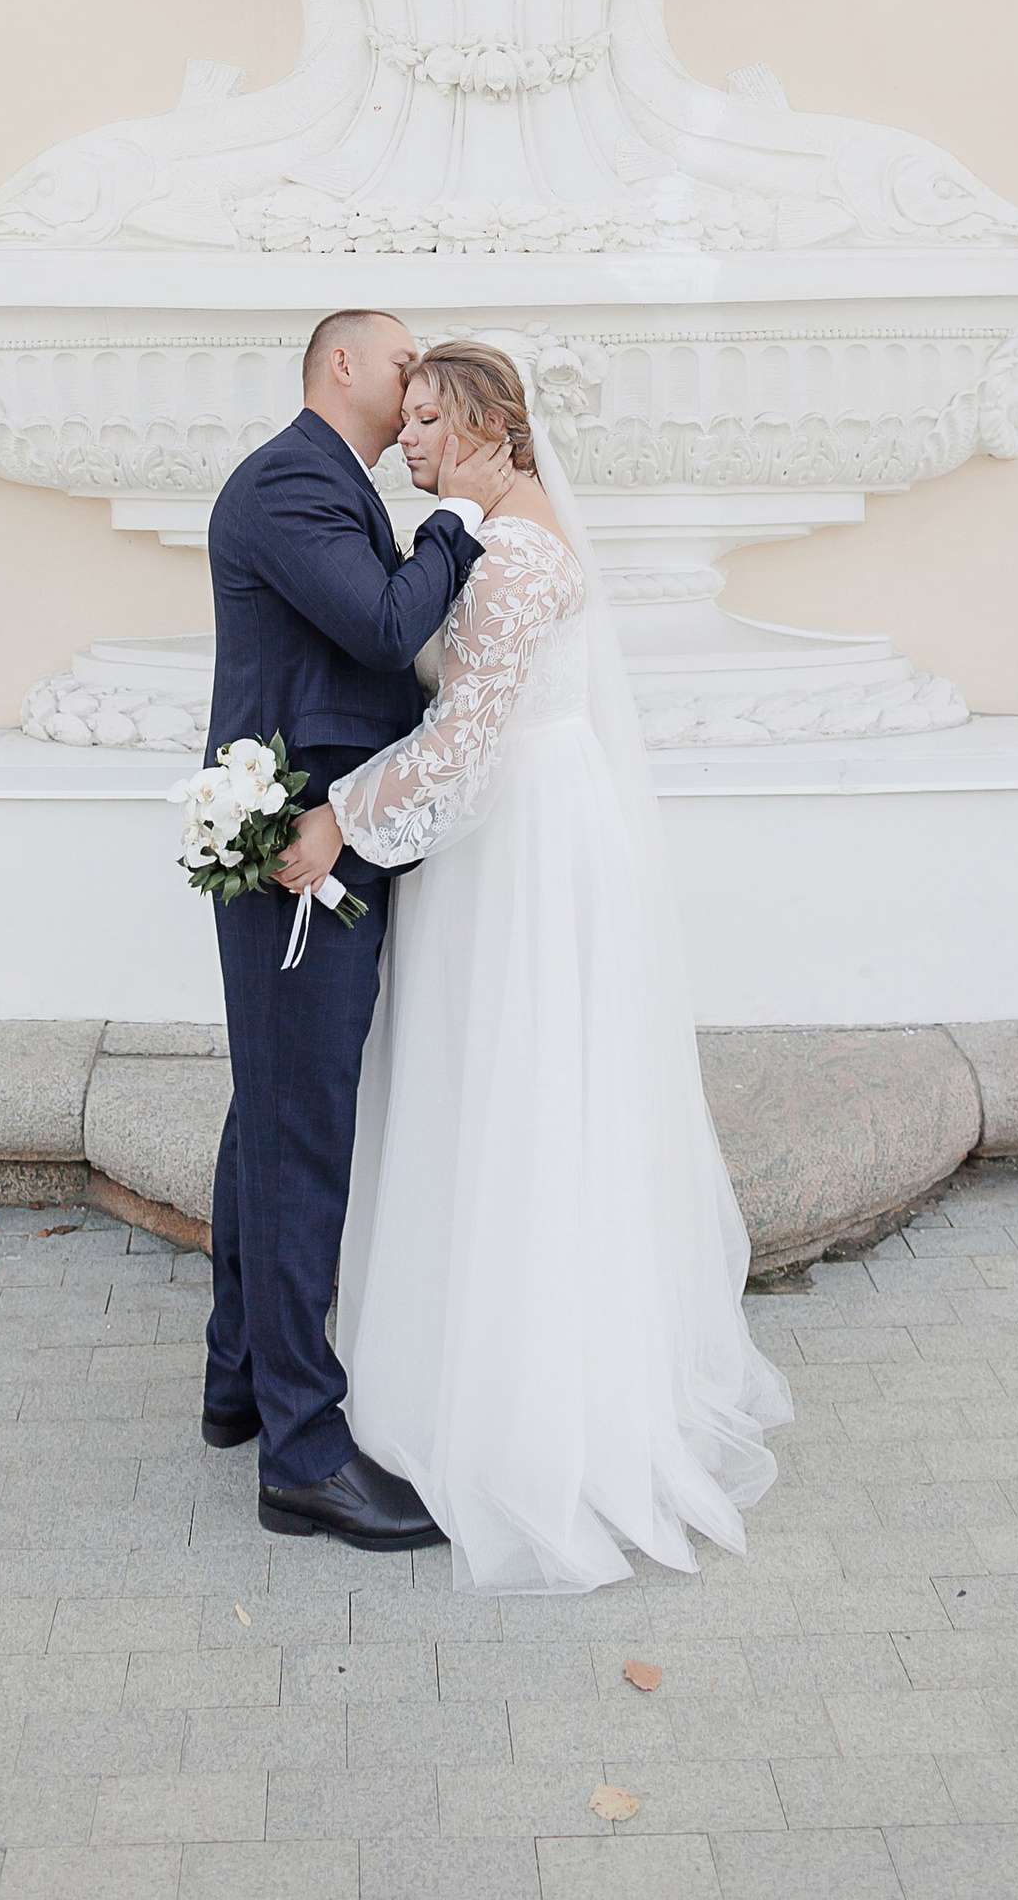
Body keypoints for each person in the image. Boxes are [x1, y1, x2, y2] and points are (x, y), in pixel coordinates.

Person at [270, 338, 790, 1593]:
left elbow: (465, 738)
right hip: (505, 835)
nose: (410, 440)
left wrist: (338, 816)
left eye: (432, 419)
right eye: (406, 421)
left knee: (522, 1099)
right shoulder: (495, 532)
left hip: (522, 849)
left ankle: (527, 1410)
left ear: (495, 423)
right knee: (497, 1093)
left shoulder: (513, 555)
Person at [199, 308, 480, 1549]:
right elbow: (379, 627)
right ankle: (304, 1458)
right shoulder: (288, 484)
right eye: (403, 358)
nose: (417, 377)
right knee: (300, 1128)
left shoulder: (321, 484)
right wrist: (461, 528)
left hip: (326, 834)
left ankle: (237, 1384)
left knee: (272, 1107)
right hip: (302, 854)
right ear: (343, 366)